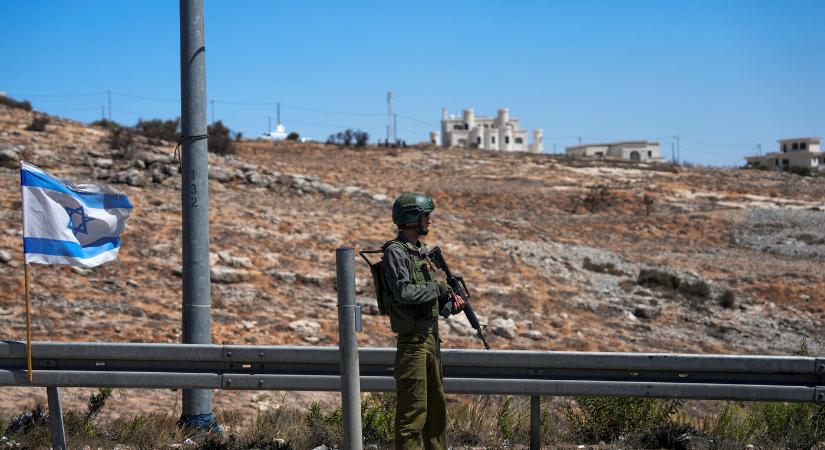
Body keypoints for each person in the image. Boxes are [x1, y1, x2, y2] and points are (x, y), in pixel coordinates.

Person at [381, 192, 464, 450]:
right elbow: (404, 292)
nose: (429, 220)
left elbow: (428, 303)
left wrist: (450, 306)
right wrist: (439, 289)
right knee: (412, 415)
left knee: (436, 414)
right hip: (413, 344)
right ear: (411, 218)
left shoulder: (420, 253)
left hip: (431, 340)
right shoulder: (395, 253)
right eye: (425, 215)